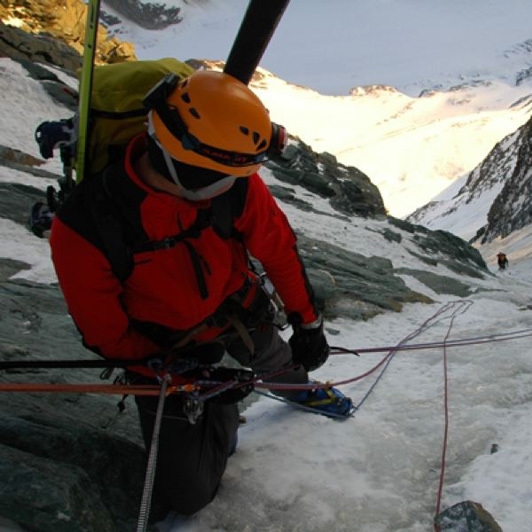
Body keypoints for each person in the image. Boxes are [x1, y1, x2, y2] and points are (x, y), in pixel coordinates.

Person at [49, 70, 349, 515]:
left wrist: (308, 321)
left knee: (278, 362)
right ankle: (222, 412)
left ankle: (297, 389)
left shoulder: (233, 184)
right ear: (185, 167)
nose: (235, 184)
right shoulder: (85, 226)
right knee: (186, 495)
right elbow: (107, 334)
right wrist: (178, 373)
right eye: (223, 177)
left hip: (234, 310)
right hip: (162, 350)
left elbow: (279, 252)